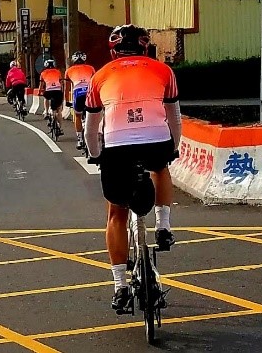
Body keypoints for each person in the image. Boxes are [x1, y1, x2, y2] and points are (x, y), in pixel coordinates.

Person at [84, 24, 182, 314]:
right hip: (156, 139)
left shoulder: (99, 76)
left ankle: (120, 287)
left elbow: (91, 130)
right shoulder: (164, 71)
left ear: (113, 49)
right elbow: (174, 119)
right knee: (161, 168)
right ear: (145, 46)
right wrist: (172, 148)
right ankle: (163, 227)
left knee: (116, 211)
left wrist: (96, 155)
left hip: (117, 146)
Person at [64, 51, 95, 151]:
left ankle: (80, 139)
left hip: (78, 93)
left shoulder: (69, 71)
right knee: (93, 114)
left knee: (77, 115)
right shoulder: (91, 68)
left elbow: (67, 88)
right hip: (90, 92)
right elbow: (95, 83)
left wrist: (66, 101)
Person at [39, 59, 64, 133]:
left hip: (49, 91)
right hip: (58, 91)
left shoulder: (43, 73)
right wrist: (61, 91)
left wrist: (40, 91)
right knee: (58, 109)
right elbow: (61, 83)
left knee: (46, 98)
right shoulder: (58, 72)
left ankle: (46, 111)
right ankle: (59, 126)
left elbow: (41, 85)